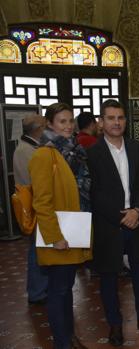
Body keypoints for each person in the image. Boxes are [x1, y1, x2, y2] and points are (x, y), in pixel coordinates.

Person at [87, 100, 139, 346]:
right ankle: (115, 325)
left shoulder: (138, 149)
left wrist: (137, 211)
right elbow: (94, 192)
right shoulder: (92, 153)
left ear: (126, 121)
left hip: (138, 222)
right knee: (109, 277)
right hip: (109, 225)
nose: (116, 122)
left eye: (120, 117)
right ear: (101, 122)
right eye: (111, 118)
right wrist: (122, 216)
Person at [29, 102, 92, 349]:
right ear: (50, 124)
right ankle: (62, 343)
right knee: (58, 291)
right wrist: (55, 236)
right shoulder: (44, 155)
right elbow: (41, 202)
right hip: (58, 234)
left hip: (74, 229)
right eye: (62, 122)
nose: (68, 126)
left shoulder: (72, 151)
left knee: (66, 289)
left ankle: (69, 337)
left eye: (70, 121)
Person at [13, 115, 47, 305]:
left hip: (36, 204)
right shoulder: (27, 150)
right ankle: (38, 291)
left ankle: (38, 289)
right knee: (37, 251)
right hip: (36, 206)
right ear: (38, 129)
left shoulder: (27, 147)